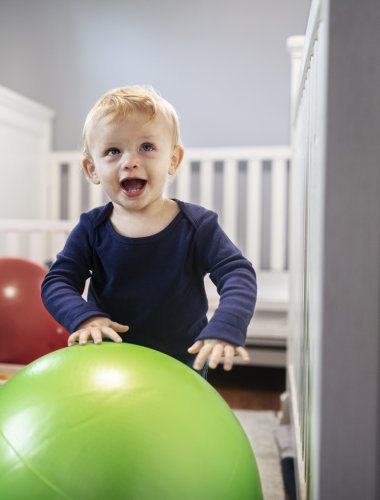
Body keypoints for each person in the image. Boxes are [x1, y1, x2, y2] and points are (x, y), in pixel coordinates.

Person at [41, 85, 257, 378]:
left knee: (178, 424)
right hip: (108, 356)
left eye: (147, 147)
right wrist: (85, 318)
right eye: (113, 151)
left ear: (173, 160)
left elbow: (238, 274)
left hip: (182, 360)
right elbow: (57, 281)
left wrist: (226, 325)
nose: (130, 161)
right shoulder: (92, 229)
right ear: (92, 169)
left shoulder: (198, 226)